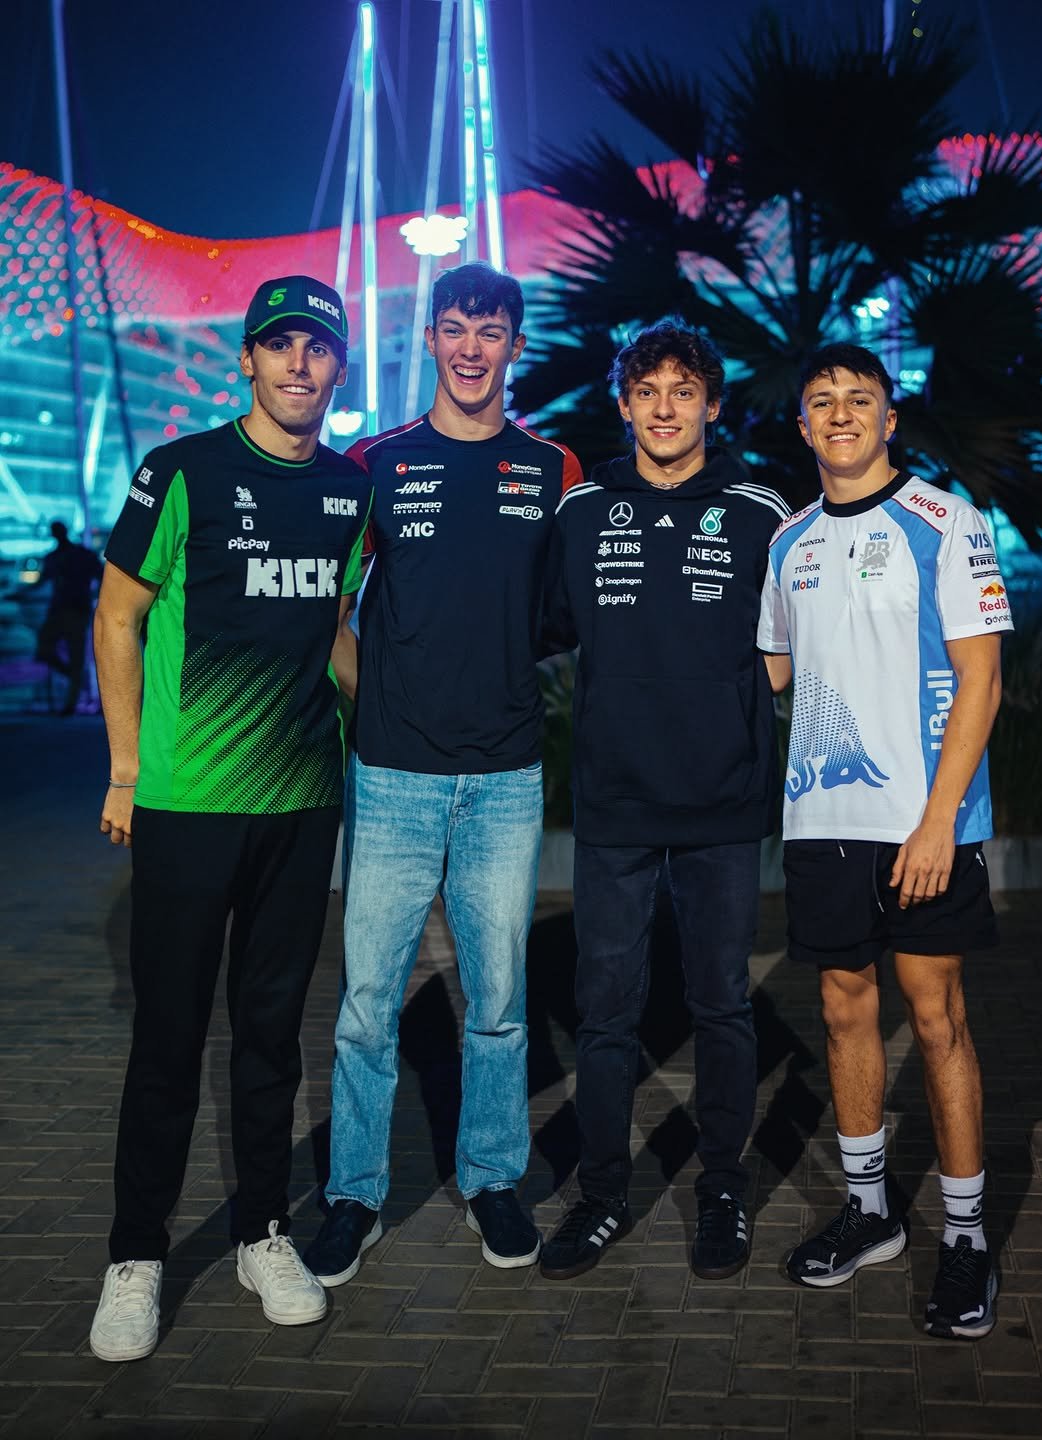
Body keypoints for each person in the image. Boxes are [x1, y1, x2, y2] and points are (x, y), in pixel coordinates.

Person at [89, 276, 372, 1363]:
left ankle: (262, 1230)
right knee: (167, 1041)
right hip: (186, 805)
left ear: (338, 368)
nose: (300, 365)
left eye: (318, 350)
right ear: (247, 360)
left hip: (301, 807)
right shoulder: (183, 472)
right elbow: (119, 616)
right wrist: (124, 767)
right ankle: (135, 1257)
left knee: (269, 1039)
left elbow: (333, 633)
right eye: (280, 346)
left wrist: (395, 716)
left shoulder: (350, 493)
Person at [305, 261, 583, 1284]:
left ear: (515, 346)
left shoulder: (554, 468)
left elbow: (579, 608)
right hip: (393, 780)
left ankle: (493, 1181)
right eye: (457, 328)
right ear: (429, 338)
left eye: (493, 331)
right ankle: (352, 1197)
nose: (473, 348)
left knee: (500, 997)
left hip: (506, 779)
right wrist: (374, 701)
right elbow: (328, 612)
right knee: (369, 1001)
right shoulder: (375, 462)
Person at [757, 342, 1011, 1340]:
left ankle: (963, 1236)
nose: (839, 414)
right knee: (841, 1007)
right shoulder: (788, 541)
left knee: (937, 1014)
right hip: (823, 827)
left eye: (859, 400)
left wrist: (941, 819)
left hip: (922, 824)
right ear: (805, 424)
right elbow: (771, 674)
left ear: (890, 417)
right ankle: (871, 1214)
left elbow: (981, 681)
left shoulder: (945, 523)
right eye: (822, 402)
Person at [537, 318, 788, 1280]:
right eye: (649, 390)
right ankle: (603, 1196)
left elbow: (799, 636)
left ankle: (721, 1188)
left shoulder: (762, 508)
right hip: (614, 801)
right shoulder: (583, 508)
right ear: (626, 403)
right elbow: (542, 629)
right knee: (606, 1010)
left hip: (723, 801)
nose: (667, 407)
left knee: (723, 1003)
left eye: (685, 390)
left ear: (712, 406)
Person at [34, 519, 103, 713]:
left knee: (73, 655)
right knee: (50, 651)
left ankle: (71, 699)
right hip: (65, 609)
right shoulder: (69, 556)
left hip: (73, 609)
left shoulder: (77, 556)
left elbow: (103, 577)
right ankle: (74, 681)